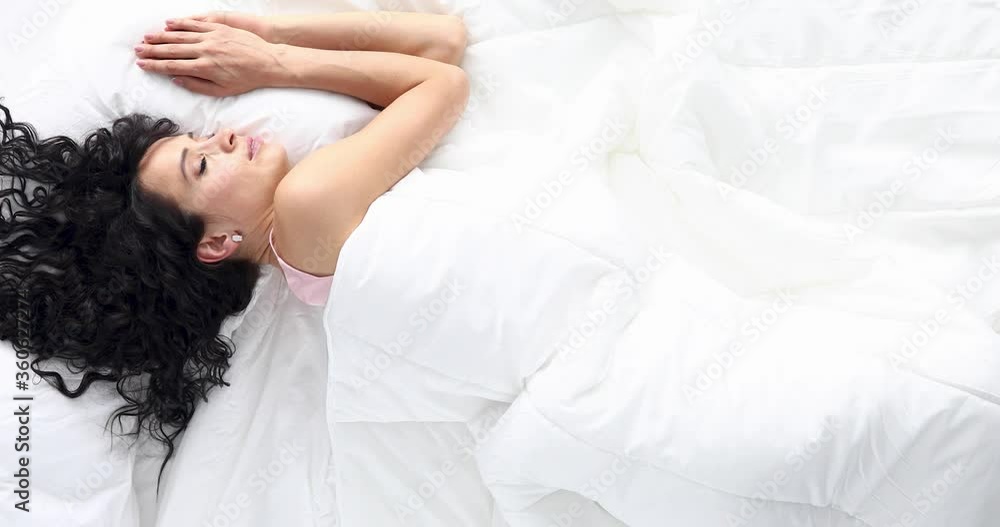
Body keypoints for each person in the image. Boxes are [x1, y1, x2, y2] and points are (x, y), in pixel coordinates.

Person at [0, 10, 470, 482]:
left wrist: (272, 31)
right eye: (202, 166)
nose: (224, 136)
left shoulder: (313, 230)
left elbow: (444, 42)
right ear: (217, 243)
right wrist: (272, 62)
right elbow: (444, 83)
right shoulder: (305, 203)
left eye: (202, 139)